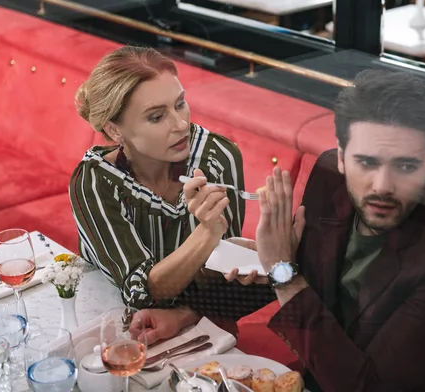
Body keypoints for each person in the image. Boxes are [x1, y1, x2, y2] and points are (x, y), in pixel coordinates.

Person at [254, 70, 425, 391]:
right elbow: (306, 279)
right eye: (366, 163)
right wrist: (267, 258)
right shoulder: (329, 178)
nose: (382, 186)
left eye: (406, 166)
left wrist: (281, 271)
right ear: (341, 158)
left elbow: (370, 387)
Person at [69, 46, 273, 330]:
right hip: (111, 325)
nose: (181, 124)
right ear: (115, 130)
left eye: (180, 104)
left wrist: (228, 258)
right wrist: (207, 233)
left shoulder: (218, 158)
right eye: (156, 116)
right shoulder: (95, 181)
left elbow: (220, 277)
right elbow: (140, 294)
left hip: (204, 324)